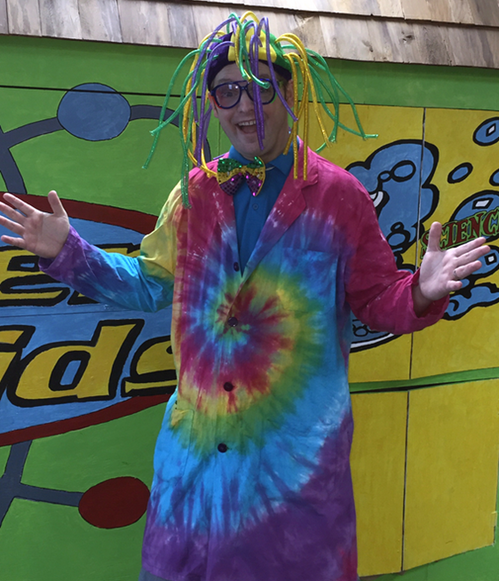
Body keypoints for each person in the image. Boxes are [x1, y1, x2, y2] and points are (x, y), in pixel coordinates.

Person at [0, 13, 490, 581]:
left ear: (289, 93)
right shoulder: (193, 193)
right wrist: (70, 251)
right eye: (228, 91)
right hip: (195, 472)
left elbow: (378, 299)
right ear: (213, 104)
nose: (245, 105)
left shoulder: (340, 197)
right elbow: (147, 282)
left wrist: (421, 291)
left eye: (260, 87)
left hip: (291, 480)